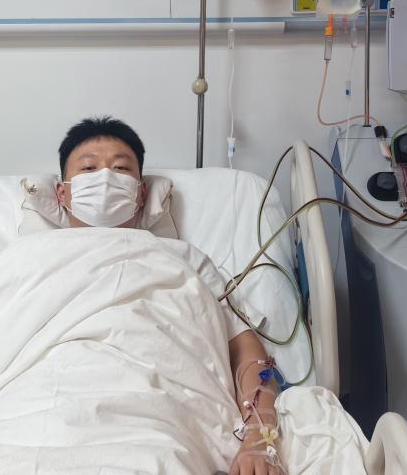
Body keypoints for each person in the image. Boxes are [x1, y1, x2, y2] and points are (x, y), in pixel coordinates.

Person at [55, 116, 281, 475]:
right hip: (47, 405)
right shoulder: (24, 259)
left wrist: (260, 435)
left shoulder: (183, 258)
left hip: (160, 417)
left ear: (141, 193)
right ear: (62, 193)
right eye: (88, 168)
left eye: (120, 168)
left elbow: (244, 348)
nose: (105, 178)